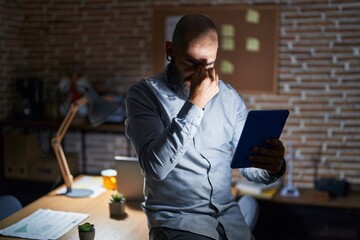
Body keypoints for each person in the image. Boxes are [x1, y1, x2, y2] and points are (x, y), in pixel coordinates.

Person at [125, 14, 286, 240]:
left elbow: (251, 170)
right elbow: (155, 167)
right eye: (191, 63)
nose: (201, 75)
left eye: (208, 64)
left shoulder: (229, 98)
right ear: (170, 51)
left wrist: (273, 166)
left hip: (229, 219)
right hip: (178, 223)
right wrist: (196, 103)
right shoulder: (144, 95)